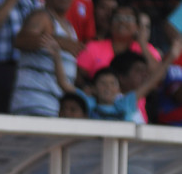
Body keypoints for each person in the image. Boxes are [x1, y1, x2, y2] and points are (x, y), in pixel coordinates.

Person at [51, 38, 182, 121]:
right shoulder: (90, 103)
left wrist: (171, 57)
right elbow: (64, 84)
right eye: (102, 83)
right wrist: (57, 56)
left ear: (118, 88)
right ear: (94, 89)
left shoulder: (125, 103)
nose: (108, 87)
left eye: (112, 83)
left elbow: (151, 82)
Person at [75, 5, 161, 121]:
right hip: (97, 113)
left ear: (137, 26)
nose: (122, 22)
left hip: (134, 115)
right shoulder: (94, 47)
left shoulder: (146, 49)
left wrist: (142, 42)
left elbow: (157, 76)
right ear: (110, 24)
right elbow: (78, 75)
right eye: (117, 18)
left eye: (128, 19)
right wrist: (87, 88)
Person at [8, 0, 80, 117]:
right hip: (34, 104)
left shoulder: (69, 26)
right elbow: (21, 40)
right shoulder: (42, 16)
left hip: (54, 106)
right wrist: (61, 42)